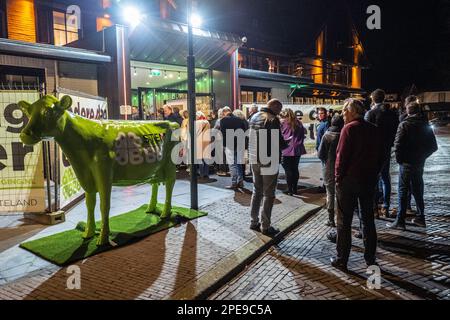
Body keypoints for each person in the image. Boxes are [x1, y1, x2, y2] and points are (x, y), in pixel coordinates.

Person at [331, 99, 383, 271]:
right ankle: (370, 257)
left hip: (349, 181)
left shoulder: (349, 128)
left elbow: (342, 156)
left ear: (352, 111)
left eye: (345, 111)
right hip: (368, 180)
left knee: (344, 221)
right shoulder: (374, 129)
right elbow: (382, 155)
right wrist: (375, 173)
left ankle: (342, 259)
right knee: (368, 219)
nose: (343, 115)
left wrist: (338, 177)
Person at [387, 102, 438, 230]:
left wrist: (400, 160)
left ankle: (400, 221)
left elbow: (397, 145)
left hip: (406, 163)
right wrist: (422, 156)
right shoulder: (424, 124)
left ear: (407, 111)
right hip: (419, 162)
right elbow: (433, 146)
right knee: (418, 189)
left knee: (403, 190)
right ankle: (421, 218)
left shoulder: (404, 124)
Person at [249, 99, 288, 237]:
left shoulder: (254, 116)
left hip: (254, 157)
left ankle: (254, 221)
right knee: (269, 193)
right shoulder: (273, 119)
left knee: (256, 190)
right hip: (268, 159)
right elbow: (277, 140)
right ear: (275, 107)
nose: (280, 112)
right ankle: (265, 226)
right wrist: (286, 144)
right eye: (280, 108)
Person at [365, 89, 400, 218]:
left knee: (373, 179)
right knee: (385, 178)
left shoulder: (370, 113)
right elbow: (396, 131)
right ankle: (386, 207)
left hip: (373, 150)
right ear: (384, 98)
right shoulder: (392, 114)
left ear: (373, 99)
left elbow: (366, 132)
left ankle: (374, 209)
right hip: (386, 149)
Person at [318, 114, 344, 227]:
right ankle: (341, 218)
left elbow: (320, 154)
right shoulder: (344, 134)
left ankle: (330, 219)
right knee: (341, 193)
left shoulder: (327, 135)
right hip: (342, 168)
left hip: (328, 168)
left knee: (330, 193)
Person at [215, 107, 248, 189]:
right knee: (239, 163)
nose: (222, 115)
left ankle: (234, 183)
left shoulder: (223, 120)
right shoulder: (239, 119)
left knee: (232, 164)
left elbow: (222, 133)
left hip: (229, 145)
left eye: (223, 113)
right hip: (239, 144)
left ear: (225, 112)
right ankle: (240, 182)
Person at [280, 108, 307, 196]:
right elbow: (303, 135)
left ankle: (290, 189)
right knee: (294, 168)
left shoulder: (284, 123)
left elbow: (282, 136)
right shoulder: (298, 123)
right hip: (297, 149)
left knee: (288, 169)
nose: (282, 118)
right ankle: (294, 189)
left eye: (283, 116)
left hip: (287, 149)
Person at [195, 111, 211, 181]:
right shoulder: (207, 122)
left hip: (198, 141)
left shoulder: (197, 123)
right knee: (206, 158)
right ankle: (206, 174)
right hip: (206, 141)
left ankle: (201, 174)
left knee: (199, 159)